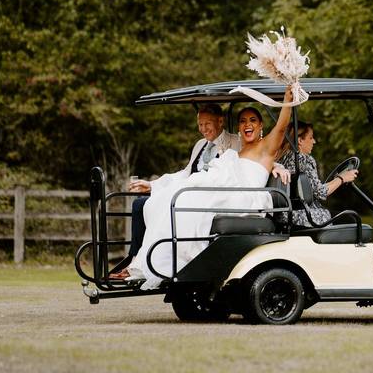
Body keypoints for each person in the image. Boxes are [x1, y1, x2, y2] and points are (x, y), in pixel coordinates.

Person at [127, 89, 296, 289]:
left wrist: (287, 99)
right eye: (242, 121)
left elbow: (281, 126)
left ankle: (179, 259)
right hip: (230, 189)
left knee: (191, 200)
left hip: (244, 196)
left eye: (252, 120)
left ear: (260, 125)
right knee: (172, 198)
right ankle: (156, 258)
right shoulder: (241, 148)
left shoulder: (266, 146)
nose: (247, 124)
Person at [109, 105, 241, 280]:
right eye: (200, 124)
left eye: (207, 123)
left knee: (166, 205)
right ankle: (135, 258)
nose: (203, 129)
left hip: (211, 197)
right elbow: (186, 173)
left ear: (220, 121)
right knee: (141, 204)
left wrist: (276, 166)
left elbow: (249, 162)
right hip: (189, 191)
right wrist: (152, 185)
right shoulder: (200, 145)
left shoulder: (235, 142)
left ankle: (146, 264)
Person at [278, 121, 358, 227]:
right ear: (300, 140)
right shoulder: (303, 159)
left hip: (286, 214)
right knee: (351, 219)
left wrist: (337, 179)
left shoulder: (281, 158)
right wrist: (342, 178)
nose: (314, 141)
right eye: (311, 138)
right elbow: (321, 193)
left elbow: (316, 189)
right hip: (304, 215)